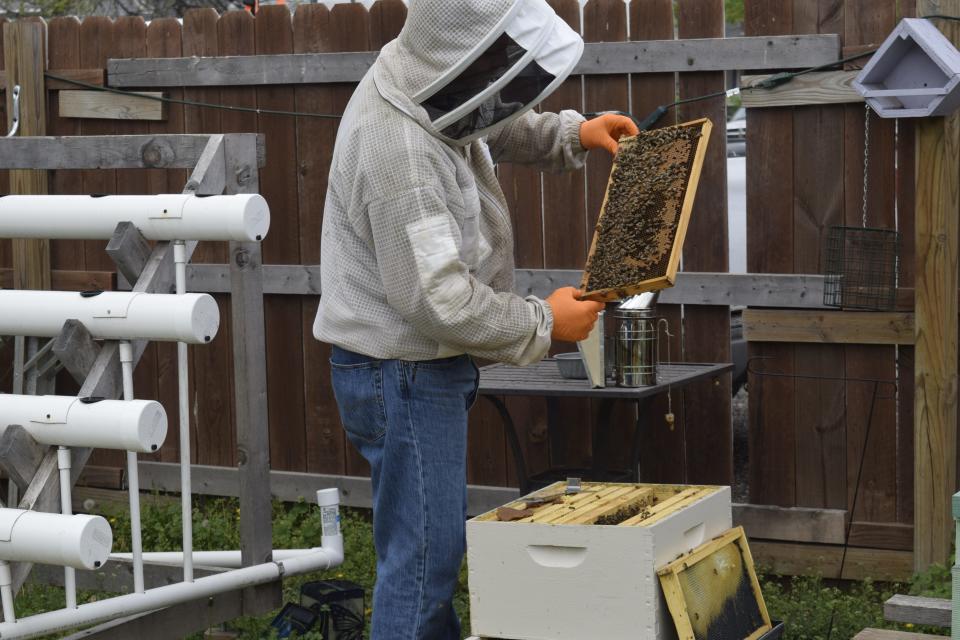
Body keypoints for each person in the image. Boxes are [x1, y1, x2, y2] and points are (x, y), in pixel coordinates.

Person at [313, 0, 638, 637]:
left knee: (427, 556)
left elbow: (488, 114)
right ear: (462, 60)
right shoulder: (399, 152)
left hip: (406, 369)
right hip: (400, 373)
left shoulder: (424, 80)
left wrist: (573, 132)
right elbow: (439, 301)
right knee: (424, 565)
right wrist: (544, 325)